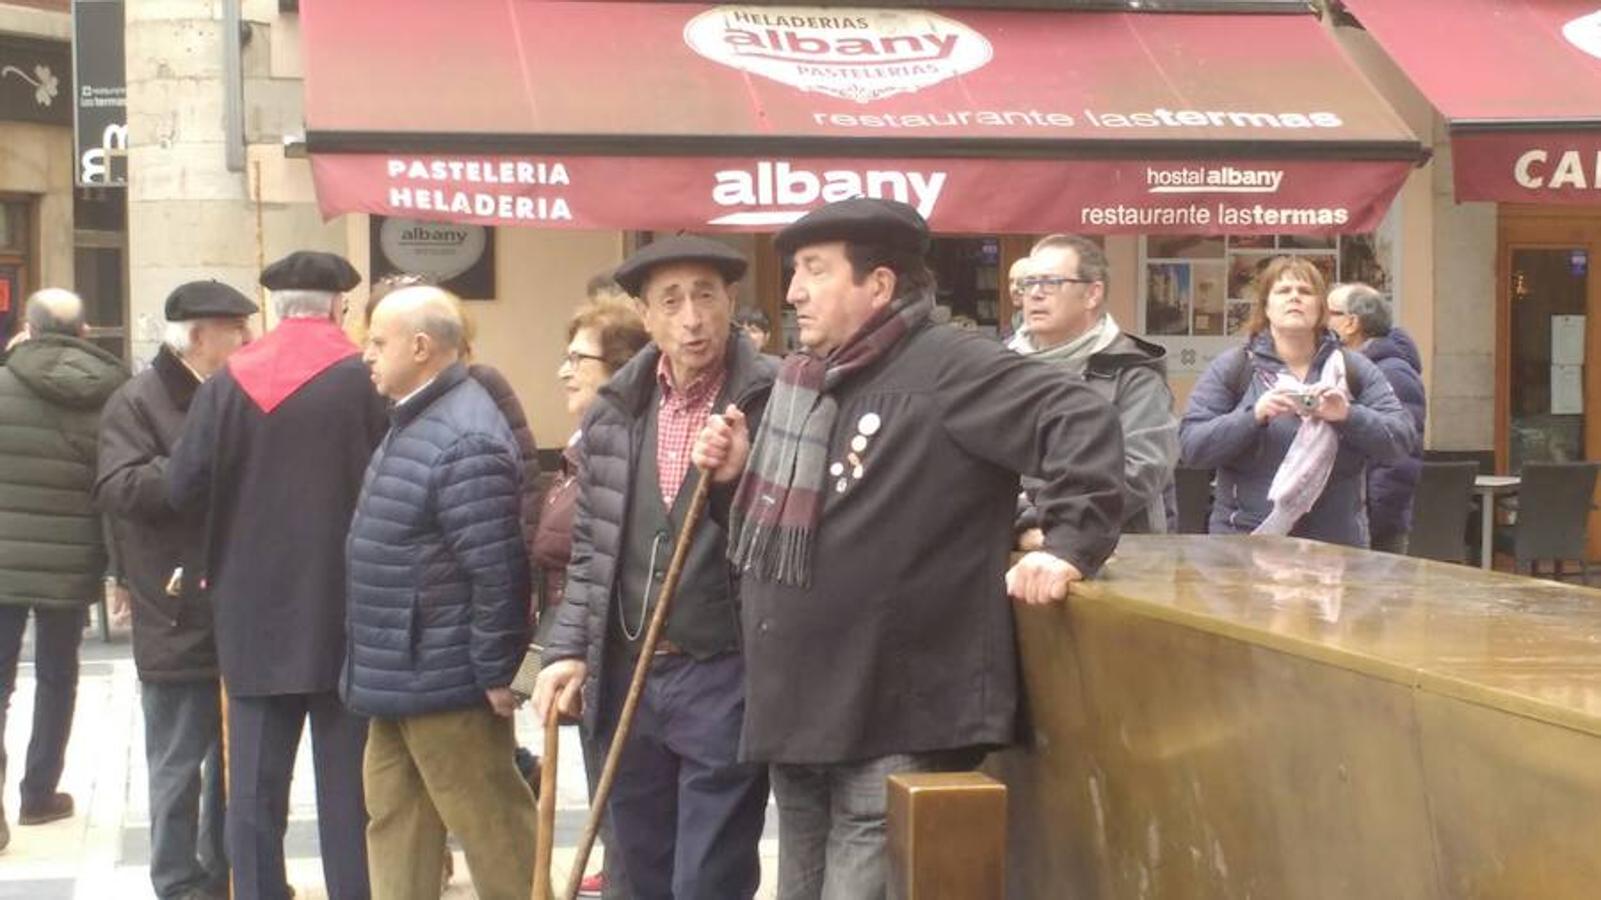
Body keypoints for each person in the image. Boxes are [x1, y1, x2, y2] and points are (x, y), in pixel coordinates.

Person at [691, 198, 1126, 899]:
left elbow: (1078, 417)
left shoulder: (947, 365)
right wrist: (735, 478)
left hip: (891, 711)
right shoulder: (803, 383)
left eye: (813, 270)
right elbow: (783, 534)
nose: (794, 291)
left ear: (880, 285)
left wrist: (1070, 543)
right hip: (797, 708)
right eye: (794, 272)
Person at [534, 236, 776, 899]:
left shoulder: (775, 396)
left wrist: (743, 477)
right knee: (634, 871)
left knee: (708, 877)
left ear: (731, 300)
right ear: (644, 316)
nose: (691, 318)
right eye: (670, 301)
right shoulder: (618, 409)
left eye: (705, 295)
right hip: (628, 676)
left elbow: (797, 539)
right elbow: (592, 552)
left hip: (724, 670)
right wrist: (566, 651)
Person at [167, 251, 386, 900]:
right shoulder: (365, 380)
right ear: (338, 307)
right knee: (349, 791)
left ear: (273, 308)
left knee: (255, 791)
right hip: (346, 608)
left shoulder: (225, 384)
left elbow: (180, 489)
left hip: (250, 610)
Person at [345, 286, 535, 900]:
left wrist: (496, 670)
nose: (366, 355)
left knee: (494, 830)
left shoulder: (463, 434)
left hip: (447, 677)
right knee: (396, 823)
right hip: (401, 670)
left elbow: (498, 570)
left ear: (421, 347)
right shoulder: (419, 416)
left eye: (378, 342)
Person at [95, 281, 256, 899]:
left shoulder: (232, 394)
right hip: (174, 603)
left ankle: (225, 871)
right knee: (176, 761)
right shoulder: (137, 401)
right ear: (196, 336)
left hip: (234, 599)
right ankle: (176, 879)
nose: (245, 340)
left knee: (233, 759)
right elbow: (120, 487)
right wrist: (191, 464)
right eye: (234, 329)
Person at [0, 289, 127, 849]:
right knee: (57, 677)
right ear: (85, 332)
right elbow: (116, 489)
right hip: (71, 562)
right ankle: (38, 794)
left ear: (27, 328)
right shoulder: (111, 393)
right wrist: (120, 571)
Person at [532, 299, 649, 900]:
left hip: (612, 654)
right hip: (580, 652)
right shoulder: (583, 449)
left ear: (620, 368)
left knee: (628, 823)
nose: (564, 370)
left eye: (579, 358)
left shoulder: (614, 447)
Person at [1179, 257, 1416, 546]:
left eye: (1305, 291)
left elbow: (1400, 439)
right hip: (1245, 547)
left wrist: (1348, 415)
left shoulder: (1355, 369)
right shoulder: (1234, 368)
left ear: (1321, 309)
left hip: (1335, 552)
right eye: (1283, 291)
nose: (1294, 297)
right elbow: (1192, 447)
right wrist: (1254, 416)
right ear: (1266, 306)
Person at [1009, 233, 1179, 536]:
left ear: (1092, 294)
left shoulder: (1134, 372)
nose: (1034, 294)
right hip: (1007, 552)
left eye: (1050, 282)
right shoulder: (997, 367)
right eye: (1029, 283)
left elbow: (1141, 471)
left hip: (1112, 557)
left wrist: (1035, 516)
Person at [1328, 282, 1426, 553]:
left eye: (1329, 313)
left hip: (1374, 530)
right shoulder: (1342, 367)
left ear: (1351, 323)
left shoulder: (1392, 373)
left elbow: (1399, 459)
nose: (1321, 321)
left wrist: (1371, 522)